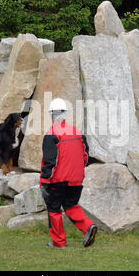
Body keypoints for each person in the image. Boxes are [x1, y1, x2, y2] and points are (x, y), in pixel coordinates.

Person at [39, 98, 97, 248]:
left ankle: (59, 242)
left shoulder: (51, 134)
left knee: (53, 209)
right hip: (76, 179)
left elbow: (50, 161)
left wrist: (45, 180)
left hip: (57, 180)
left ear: (51, 114)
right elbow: (85, 157)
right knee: (70, 205)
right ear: (65, 113)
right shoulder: (77, 133)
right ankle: (88, 226)